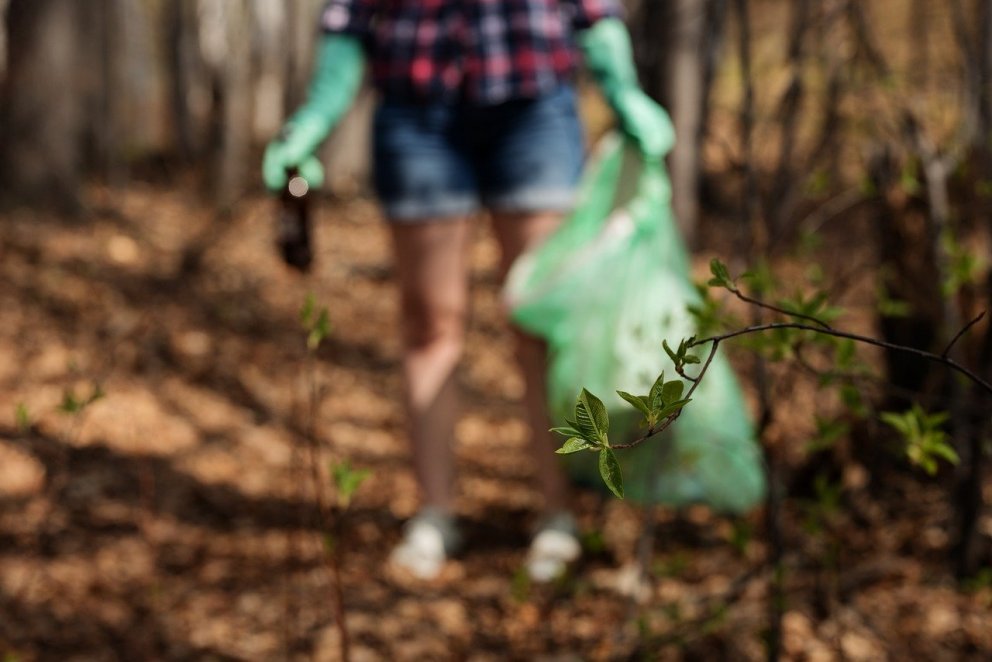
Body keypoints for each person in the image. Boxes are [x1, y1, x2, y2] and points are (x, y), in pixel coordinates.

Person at [263, 0, 670, 582]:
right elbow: (348, 17)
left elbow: (595, 9)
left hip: (535, 106)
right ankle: (435, 514)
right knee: (429, 323)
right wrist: (316, 116)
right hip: (416, 114)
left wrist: (620, 84)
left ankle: (558, 513)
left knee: (539, 318)